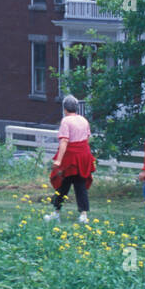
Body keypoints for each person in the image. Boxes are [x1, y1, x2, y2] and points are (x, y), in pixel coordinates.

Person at [46, 94, 96, 224]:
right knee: (80, 185)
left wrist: (58, 160)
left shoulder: (66, 121)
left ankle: (56, 213)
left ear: (65, 109)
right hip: (83, 156)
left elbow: (64, 141)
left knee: (63, 185)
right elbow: (87, 138)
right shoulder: (84, 120)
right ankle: (83, 215)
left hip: (70, 158)